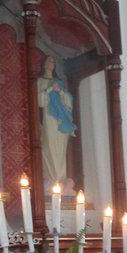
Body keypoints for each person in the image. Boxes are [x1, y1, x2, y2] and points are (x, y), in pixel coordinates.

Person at [37, 55, 77, 188]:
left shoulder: (59, 82)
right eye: (49, 60)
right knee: (48, 147)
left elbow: (68, 102)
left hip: (60, 121)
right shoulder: (40, 81)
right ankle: (51, 179)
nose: (52, 63)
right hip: (48, 119)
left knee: (60, 151)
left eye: (54, 61)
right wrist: (49, 89)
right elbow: (40, 101)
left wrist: (59, 91)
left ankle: (61, 179)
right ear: (44, 64)